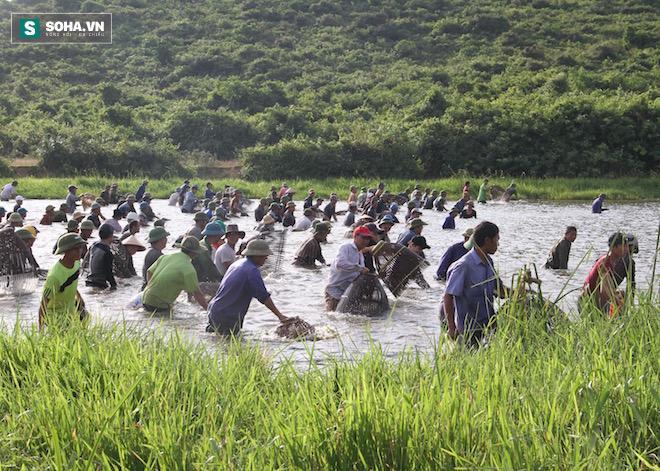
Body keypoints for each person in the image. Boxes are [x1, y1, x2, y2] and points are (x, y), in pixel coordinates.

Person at [443, 221, 512, 347]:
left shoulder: (488, 261)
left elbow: (498, 288)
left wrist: (517, 293)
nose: (498, 244)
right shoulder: (463, 266)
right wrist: (451, 328)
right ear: (487, 240)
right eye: (497, 239)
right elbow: (448, 296)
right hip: (469, 330)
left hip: (488, 326)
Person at [207, 240, 290, 335]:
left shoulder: (236, 264)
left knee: (217, 342)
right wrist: (280, 316)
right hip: (227, 315)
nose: (266, 258)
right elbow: (263, 296)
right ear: (256, 256)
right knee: (231, 344)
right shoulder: (251, 271)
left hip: (214, 309)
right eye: (264, 255)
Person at [142, 236, 209, 312]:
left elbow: (149, 271)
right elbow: (197, 294)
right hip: (159, 304)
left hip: (145, 297)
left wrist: (153, 289)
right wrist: (208, 310)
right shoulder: (189, 269)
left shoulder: (165, 257)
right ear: (195, 253)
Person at [38, 233, 88, 329]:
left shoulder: (77, 263)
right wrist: (41, 332)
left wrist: (79, 298)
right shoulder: (55, 276)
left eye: (80, 248)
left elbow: (71, 281)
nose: (79, 251)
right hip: (55, 315)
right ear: (66, 251)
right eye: (75, 249)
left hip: (70, 309)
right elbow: (43, 303)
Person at [579, 232, 629, 316]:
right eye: (623, 246)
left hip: (594, 301)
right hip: (587, 303)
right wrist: (620, 304)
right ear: (613, 247)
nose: (626, 249)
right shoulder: (606, 262)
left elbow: (605, 289)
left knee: (622, 294)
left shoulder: (610, 261)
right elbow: (604, 291)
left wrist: (618, 295)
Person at [325, 226, 374, 311]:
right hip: (335, 291)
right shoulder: (345, 247)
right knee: (332, 318)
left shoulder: (360, 255)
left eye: (367, 239)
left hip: (347, 293)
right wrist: (360, 268)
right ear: (355, 236)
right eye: (363, 238)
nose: (365, 241)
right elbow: (340, 264)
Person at [86, 224, 117, 290]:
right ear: (111, 235)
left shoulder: (93, 246)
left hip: (89, 281)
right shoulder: (107, 252)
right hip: (100, 284)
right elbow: (108, 273)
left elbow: (86, 262)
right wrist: (114, 285)